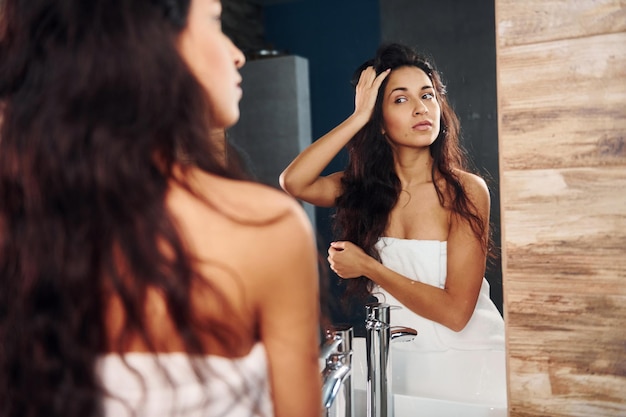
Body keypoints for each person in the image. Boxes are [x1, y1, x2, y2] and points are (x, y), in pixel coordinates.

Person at [0, 1, 321, 416]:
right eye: (214, 22)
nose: (237, 53)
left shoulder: (17, 222)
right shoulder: (264, 227)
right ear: (150, 43)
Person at [280, 43, 504, 352]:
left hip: (473, 359)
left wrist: (369, 267)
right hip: (403, 359)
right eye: (401, 99)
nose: (421, 108)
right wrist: (359, 117)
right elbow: (293, 181)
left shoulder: (465, 191)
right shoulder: (362, 189)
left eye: (427, 95)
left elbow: (456, 314)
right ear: (380, 123)